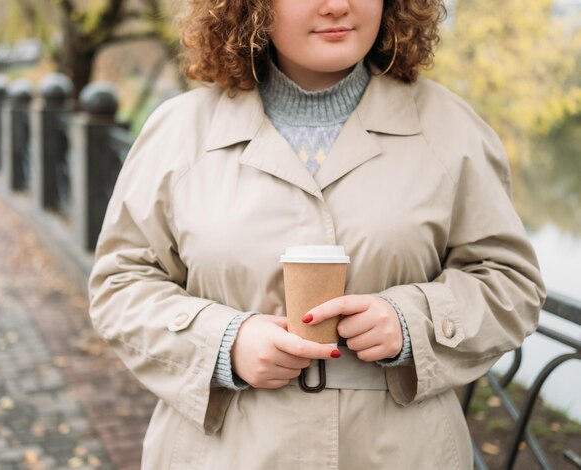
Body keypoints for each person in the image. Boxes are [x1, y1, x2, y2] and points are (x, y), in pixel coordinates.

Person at [88, 0, 546, 468]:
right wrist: (224, 342)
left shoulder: (452, 129)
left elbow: (510, 282)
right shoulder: (178, 131)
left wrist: (414, 322)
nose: (338, 6)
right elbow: (120, 285)